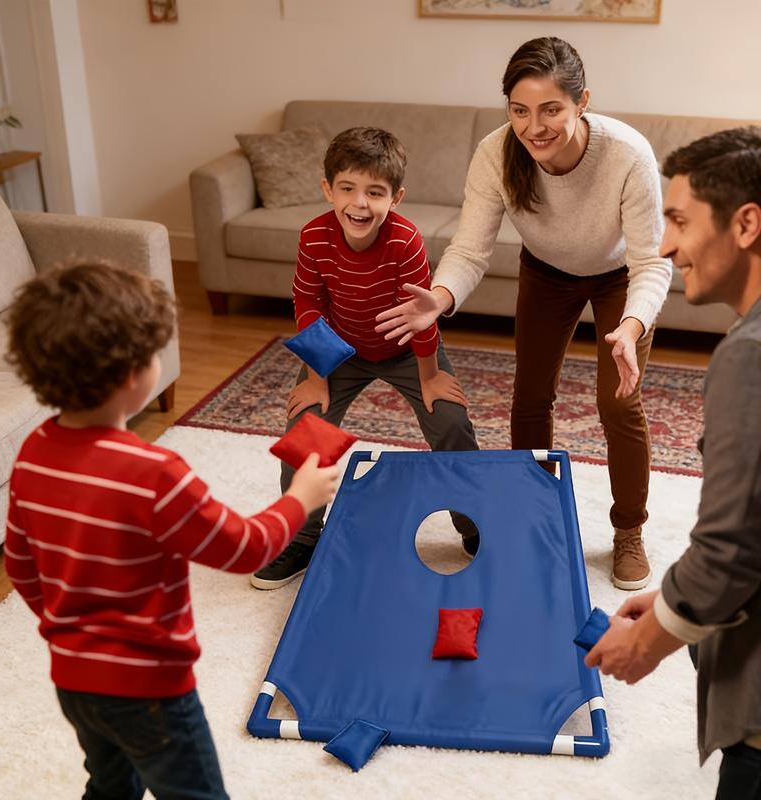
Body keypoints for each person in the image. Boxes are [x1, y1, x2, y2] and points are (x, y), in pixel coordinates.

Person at [3, 263, 339, 800]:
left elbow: (20, 566)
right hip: (150, 691)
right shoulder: (154, 474)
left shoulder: (34, 455)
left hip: (74, 678)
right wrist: (300, 500)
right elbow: (246, 548)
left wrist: (74, 632)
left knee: (111, 781)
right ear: (130, 376)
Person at [375, 36, 672, 591]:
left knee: (618, 403)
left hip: (619, 278)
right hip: (547, 271)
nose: (534, 126)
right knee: (531, 394)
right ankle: (532, 519)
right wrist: (438, 299)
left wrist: (631, 329)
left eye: (551, 109)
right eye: (519, 110)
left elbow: (650, 262)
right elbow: (469, 249)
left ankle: (628, 531)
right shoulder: (496, 153)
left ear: (582, 101)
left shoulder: (627, 154)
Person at [585, 127, 761, 799]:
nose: (664, 246)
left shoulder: (749, 355)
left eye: (680, 220)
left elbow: (731, 544)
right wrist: (675, 600)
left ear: (745, 224)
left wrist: (656, 636)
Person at [251, 126, 480, 590]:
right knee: (304, 431)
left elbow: (421, 316)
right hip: (339, 350)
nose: (360, 203)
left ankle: (473, 525)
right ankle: (304, 536)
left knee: (451, 422)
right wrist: (316, 376)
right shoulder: (314, 236)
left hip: (404, 349)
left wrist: (431, 376)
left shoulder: (405, 240)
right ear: (327, 190)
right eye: (348, 189)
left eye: (375, 192)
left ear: (395, 197)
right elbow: (307, 303)